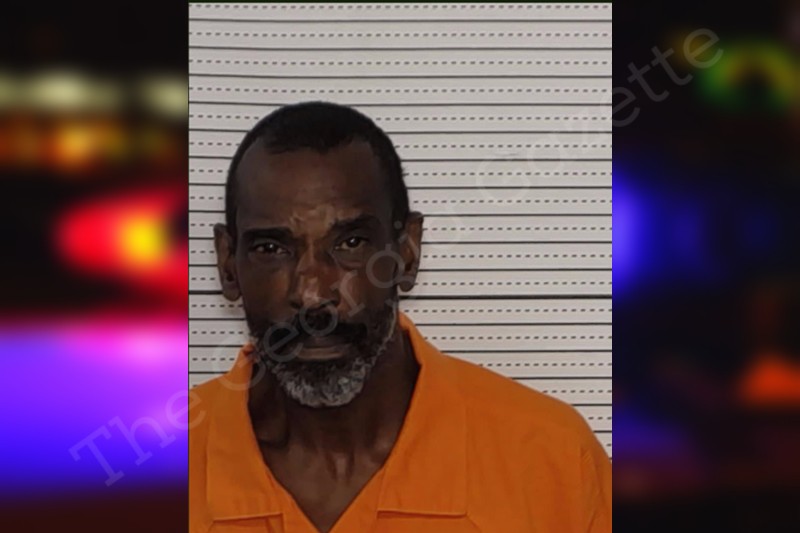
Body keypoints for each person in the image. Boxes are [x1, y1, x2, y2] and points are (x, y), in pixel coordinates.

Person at [189, 101, 612, 533]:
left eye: (351, 243)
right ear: (228, 264)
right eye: (271, 249)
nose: (313, 295)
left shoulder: (553, 463)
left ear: (407, 253)